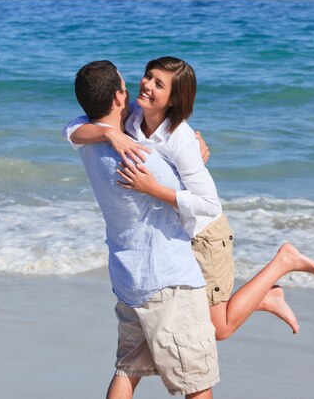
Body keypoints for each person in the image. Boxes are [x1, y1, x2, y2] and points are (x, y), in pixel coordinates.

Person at [68, 57, 314, 341]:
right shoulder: (133, 115)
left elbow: (209, 204)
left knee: (220, 329)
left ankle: (283, 263)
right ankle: (264, 299)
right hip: (182, 234)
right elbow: (73, 130)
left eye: (158, 84)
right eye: (148, 76)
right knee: (199, 319)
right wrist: (110, 134)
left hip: (206, 233)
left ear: (173, 99)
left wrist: (153, 188)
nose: (146, 85)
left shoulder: (180, 139)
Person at [64, 60, 219, 399]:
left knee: (127, 370)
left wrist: (107, 130)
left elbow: (71, 129)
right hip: (169, 282)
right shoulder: (143, 159)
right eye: (129, 84)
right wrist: (195, 153)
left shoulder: (88, 143)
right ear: (120, 97)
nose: (141, 86)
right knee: (196, 384)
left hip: (128, 279)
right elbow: (204, 201)